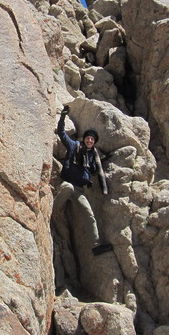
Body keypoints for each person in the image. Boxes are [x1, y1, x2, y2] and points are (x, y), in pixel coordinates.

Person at [54, 105, 112, 256]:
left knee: (89, 213)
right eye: (88, 138)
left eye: (92, 139)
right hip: (68, 184)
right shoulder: (74, 146)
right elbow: (61, 133)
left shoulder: (93, 157)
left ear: (94, 142)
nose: (90, 140)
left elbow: (93, 171)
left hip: (80, 189)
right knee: (68, 188)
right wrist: (62, 117)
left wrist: (104, 159)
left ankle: (96, 245)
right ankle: (51, 212)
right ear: (84, 139)